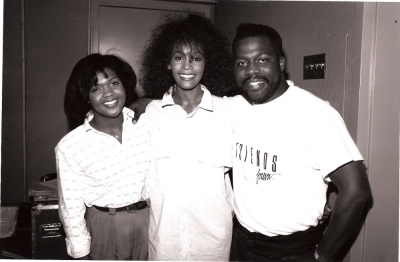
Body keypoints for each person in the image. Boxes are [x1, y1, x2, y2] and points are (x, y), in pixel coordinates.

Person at [228, 23, 372, 262]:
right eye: (242, 63)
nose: (251, 71)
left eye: (262, 60)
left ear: (281, 63)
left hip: (288, 250)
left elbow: (357, 191)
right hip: (240, 242)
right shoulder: (236, 107)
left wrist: (321, 257)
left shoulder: (314, 113)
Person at [139, 13, 239, 261]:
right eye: (178, 57)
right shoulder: (151, 113)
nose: (187, 65)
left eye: (196, 58)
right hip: (165, 241)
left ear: (208, 63)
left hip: (213, 241)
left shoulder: (228, 111)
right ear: (167, 63)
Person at [56, 54, 150, 260]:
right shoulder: (71, 146)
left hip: (150, 222)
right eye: (96, 88)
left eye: (114, 83)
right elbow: (70, 208)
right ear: (85, 96)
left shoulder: (146, 126)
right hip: (105, 227)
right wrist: (81, 253)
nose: (108, 93)